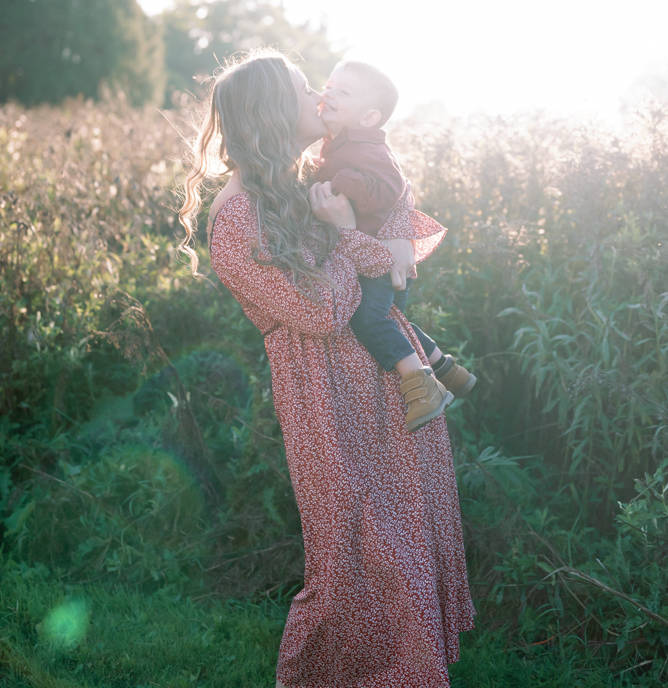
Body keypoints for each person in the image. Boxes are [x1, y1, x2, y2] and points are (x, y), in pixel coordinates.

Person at [180, 50, 475, 688]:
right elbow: (324, 310)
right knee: (352, 562)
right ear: (270, 112)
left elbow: (397, 237)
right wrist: (354, 239)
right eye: (303, 87)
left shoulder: (301, 179)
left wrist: (382, 243)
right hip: (327, 404)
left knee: (399, 548)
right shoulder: (234, 218)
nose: (319, 95)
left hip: (384, 383)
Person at [317, 60, 477, 425]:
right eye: (329, 85)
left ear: (370, 117)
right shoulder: (341, 142)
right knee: (391, 319)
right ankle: (446, 368)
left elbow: (391, 189)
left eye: (343, 91)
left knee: (368, 321)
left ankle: (423, 386)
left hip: (377, 262)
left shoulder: (367, 148)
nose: (328, 93)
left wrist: (341, 180)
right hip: (373, 257)